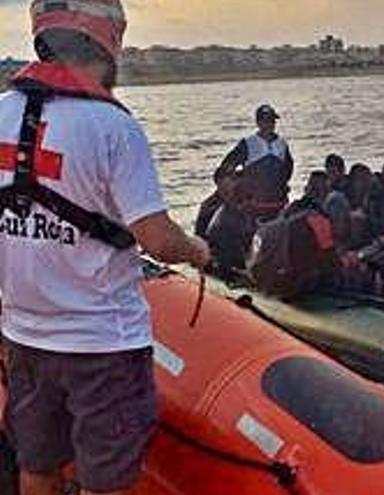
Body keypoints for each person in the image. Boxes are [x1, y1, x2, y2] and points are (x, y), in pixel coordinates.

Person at [0, 2, 211, 495]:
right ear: (107, 40)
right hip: (102, 343)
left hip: (25, 336)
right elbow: (157, 238)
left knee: (37, 465)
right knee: (107, 481)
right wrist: (197, 249)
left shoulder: (0, 113)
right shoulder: (114, 127)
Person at [212, 103, 294, 219]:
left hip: (278, 202)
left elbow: (288, 170)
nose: (269, 124)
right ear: (258, 122)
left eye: (272, 120)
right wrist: (238, 184)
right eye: (265, 120)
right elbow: (227, 166)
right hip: (253, 203)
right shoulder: (248, 143)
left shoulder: (282, 144)